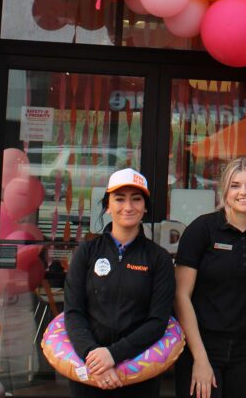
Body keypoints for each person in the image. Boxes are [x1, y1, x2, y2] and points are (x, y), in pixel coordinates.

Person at [173, 157, 246, 398]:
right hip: (202, 344)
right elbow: (181, 296)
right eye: (235, 185)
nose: (244, 192)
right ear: (224, 190)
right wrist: (199, 359)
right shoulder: (202, 230)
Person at [63, 168, 175, 396]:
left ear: (145, 207)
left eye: (136, 199)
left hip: (139, 376)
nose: (128, 206)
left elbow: (157, 321)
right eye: (119, 198)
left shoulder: (159, 258)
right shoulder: (86, 252)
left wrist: (113, 355)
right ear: (107, 205)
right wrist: (95, 357)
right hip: (91, 375)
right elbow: (74, 313)